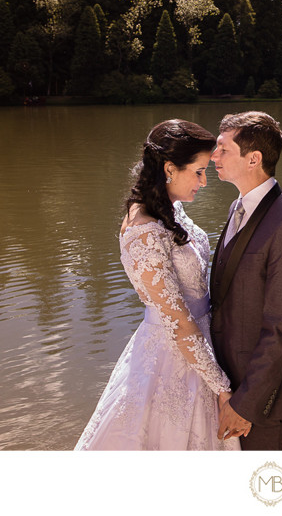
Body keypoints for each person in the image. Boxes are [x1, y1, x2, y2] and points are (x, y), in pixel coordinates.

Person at [75, 119, 239, 450]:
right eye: (198, 172)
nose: (204, 182)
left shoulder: (169, 208)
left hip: (201, 344)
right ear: (169, 168)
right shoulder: (144, 233)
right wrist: (223, 388)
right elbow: (178, 324)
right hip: (173, 357)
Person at [209, 111, 282, 450]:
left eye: (223, 149)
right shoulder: (237, 208)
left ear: (253, 159)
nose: (213, 156)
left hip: (266, 401)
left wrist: (246, 404)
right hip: (233, 385)